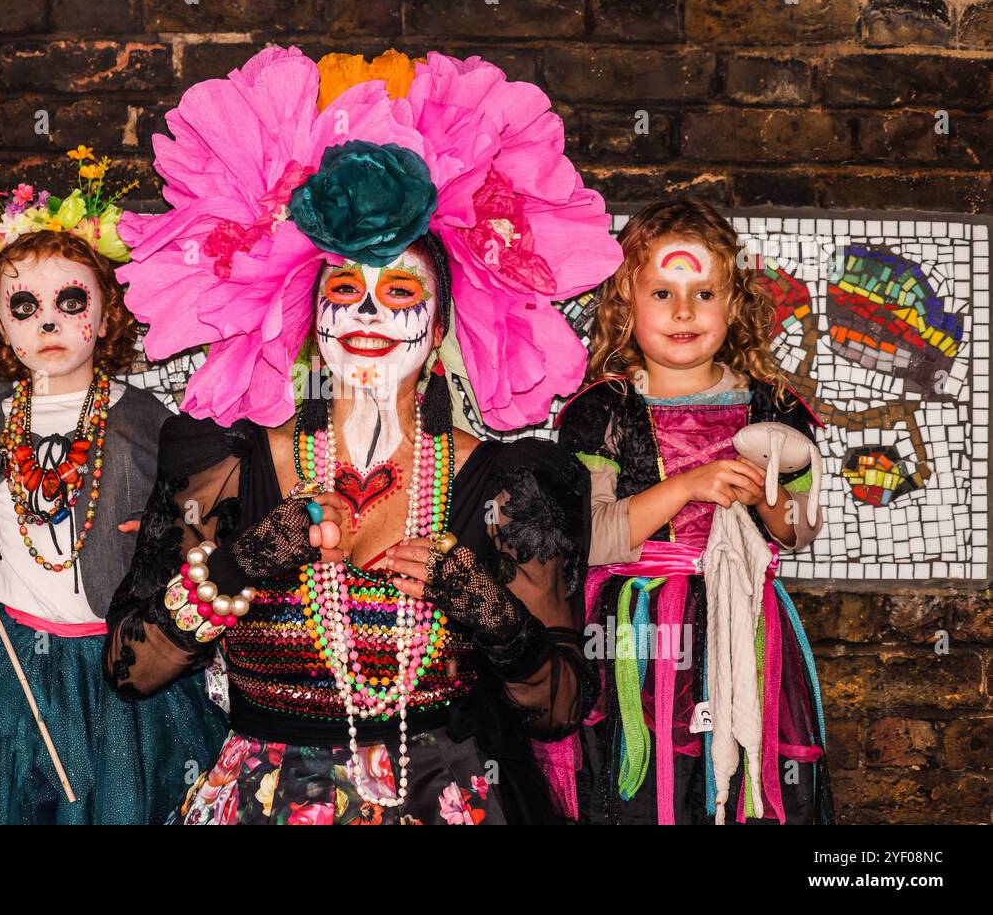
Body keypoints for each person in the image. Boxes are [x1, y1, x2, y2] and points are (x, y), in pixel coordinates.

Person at [101, 45, 624, 824]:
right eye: (346, 287)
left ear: (439, 324)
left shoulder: (513, 485)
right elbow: (128, 669)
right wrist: (243, 564)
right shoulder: (225, 465)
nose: (371, 312)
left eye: (400, 290)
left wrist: (478, 603)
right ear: (313, 316)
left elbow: (562, 707)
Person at [0, 149, 227, 824]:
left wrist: (161, 544)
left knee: (123, 801)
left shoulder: (147, 423)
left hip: (122, 664)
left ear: (107, 316)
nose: (48, 322)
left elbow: (193, 525)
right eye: (24, 307)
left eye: (70, 301)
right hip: (21, 658)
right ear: (0, 326)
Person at [552, 197, 833, 824]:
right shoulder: (602, 413)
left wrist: (769, 495)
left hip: (750, 630)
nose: (684, 312)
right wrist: (687, 485)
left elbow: (800, 530)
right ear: (626, 303)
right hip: (638, 635)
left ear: (733, 307)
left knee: (740, 790)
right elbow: (598, 542)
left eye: (704, 295)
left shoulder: (775, 406)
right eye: (662, 294)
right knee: (652, 783)